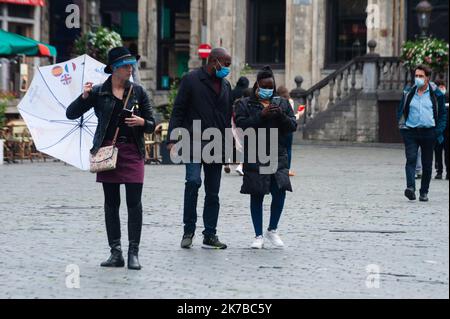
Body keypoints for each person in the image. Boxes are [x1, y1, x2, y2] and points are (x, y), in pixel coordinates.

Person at [66, 47, 156, 270]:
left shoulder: (139, 92)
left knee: (134, 203)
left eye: (130, 65)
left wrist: (143, 123)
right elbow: (71, 113)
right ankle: (116, 253)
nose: (130, 69)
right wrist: (84, 97)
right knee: (111, 204)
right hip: (108, 151)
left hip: (133, 152)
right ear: (115, 69)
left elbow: (153, 124)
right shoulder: (98, 92)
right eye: (126, 66)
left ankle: (133, 253)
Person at [167, 48, 233, 249]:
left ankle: (210, 234)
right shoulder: (191, 79)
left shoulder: (226, 85)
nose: (227, 69)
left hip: (216, 143)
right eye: (226, 64)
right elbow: (178, 109)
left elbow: (226, 118)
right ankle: (188, 230)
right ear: (214, 61)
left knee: (213, 192)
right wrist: (172, 138)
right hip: (192, 140)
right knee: (193, 182)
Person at [235, 66, 297, 249]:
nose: (268, 90)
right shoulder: (245, 104)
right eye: (264, 86)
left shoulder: (282, 103)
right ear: (257, 86)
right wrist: (260, 116)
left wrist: (281, 116)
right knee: (257, 193)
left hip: (278, 153)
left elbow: (292, 126)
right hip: (255, 153)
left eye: (271, 87)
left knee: (280, 192)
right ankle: (258, 235)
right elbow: (241, 125)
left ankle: (272, 229)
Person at [397, 64, 447, 202]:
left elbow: (443, 114)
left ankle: (424, 191)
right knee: (411, 159)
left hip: (429, 132)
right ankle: (410, 188)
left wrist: (438, 131)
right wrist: (403, 127)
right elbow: (400, 110)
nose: (417, 78)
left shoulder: (436, 94)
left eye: (421, 76)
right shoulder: (408, 92)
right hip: (411, 132)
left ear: (427, 78)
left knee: (426, 164)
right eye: (416, 76)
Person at [277, 86, 297, 177]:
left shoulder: (276, 101)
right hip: (288, 127)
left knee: (279, 148)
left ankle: (279, 167)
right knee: (288, 149)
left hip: (278, 127)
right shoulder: (290, 101)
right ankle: (287, 169)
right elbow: (292, 116)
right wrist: (299, 114)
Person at [433, 79, 449, 180]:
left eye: (443, 86)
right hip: (438, 131)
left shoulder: (447, 97)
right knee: (438, 151)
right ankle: (439, 171)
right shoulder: (435, 99)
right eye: (440, 86)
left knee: (448, 152)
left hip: (448, 131)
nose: (442, 88)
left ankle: (448, 172)